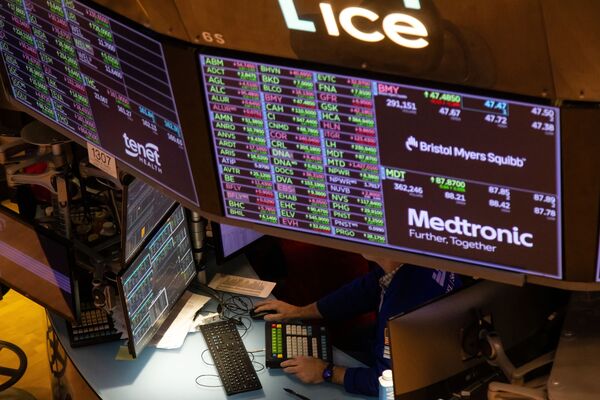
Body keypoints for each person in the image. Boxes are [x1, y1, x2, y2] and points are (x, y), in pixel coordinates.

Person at [254, 254, 461, 396]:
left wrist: (326, 372)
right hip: (397, 350)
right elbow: (362, 292)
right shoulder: (411, 261)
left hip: (411, 380)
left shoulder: (404, 305)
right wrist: (299, 311)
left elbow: (387, 382)